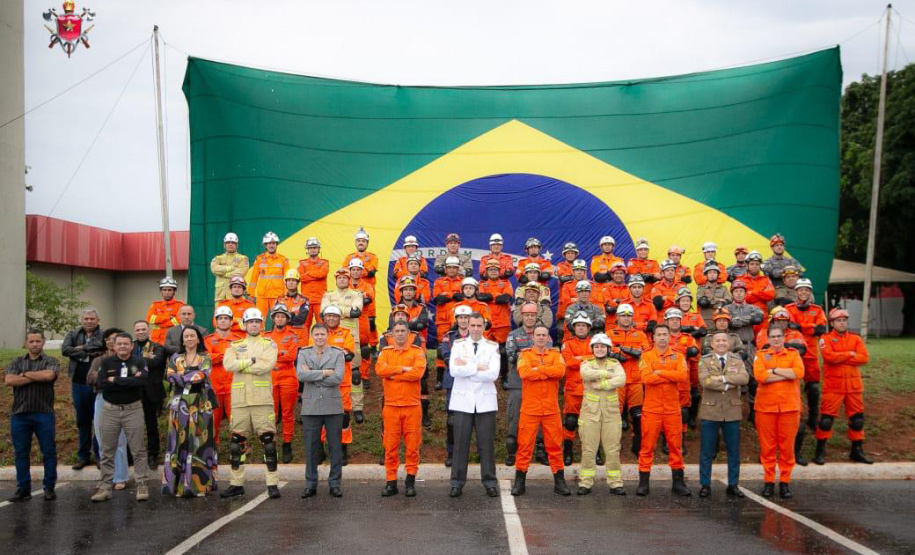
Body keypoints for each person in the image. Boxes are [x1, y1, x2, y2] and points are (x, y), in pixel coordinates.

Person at [220, 308, 281, 499]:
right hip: (240, 402)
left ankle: (272, 483)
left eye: (257, 322)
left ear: (261, 324)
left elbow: (267, 365)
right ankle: (236, 483)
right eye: (250, 322)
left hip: (262, 400)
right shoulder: (234, 344)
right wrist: (252, 361)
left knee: (268, 443)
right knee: (236, 444)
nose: (254, 324)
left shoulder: (269, 344)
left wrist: (243, 363)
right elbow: (228, 365)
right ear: (244, 324)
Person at [511, 325, 570, 496]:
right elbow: (525, 373)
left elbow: (560, 371)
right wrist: (547, 372)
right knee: (524, 446)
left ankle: (560, 482)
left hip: (551, 409)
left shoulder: (556, 354)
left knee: (555, 446)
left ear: (548, 338)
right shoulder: (525, 354)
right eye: (538, 335)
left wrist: (539, 369)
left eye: (544, 335)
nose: (541, 338)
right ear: (533, 337)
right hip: (530, 409)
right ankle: (519, 483)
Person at [91, 333, 151, 503]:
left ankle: (142, 484)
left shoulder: (139, 362)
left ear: (131, 346)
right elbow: (101, 383)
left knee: (138, 449)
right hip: (110, 410)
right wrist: (129, 380)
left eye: (126, 344)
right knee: (107, 450)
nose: (123, 347)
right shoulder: (106, 362)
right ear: (114, 346)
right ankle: (105, 487)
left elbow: (142, 381)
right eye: (120, 344)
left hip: (133, 409)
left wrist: (115, 380)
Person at [447, 313, 501, 498]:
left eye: (479, 325)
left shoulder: (493, 347)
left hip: (485, 402)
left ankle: (490, 482)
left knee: (486, 445)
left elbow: (493, 374)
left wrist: (468, 367)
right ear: (467, 326)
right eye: (473, 325)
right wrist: (479, 366)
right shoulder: (458, 345)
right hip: (463, 402)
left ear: (484, 327)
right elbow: (454, 370)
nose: (476, 328)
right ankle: (456, 483)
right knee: (460, 444)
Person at [5, 329, 61, 502]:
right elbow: (9, 380)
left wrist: (24, 374)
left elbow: (49, 375)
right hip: (20, 414)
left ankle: (49, 487)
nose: (35, 344)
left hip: (43, 413)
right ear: (26, 343)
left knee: (48, 452)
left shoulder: (51, 360)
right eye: (32, 341)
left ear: (43, 342)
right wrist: (36, 376)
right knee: (21, 453)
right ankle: (23, 488)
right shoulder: (16, 361)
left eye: (38, 341)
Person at [814, 308, 873, 465]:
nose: (842, 323)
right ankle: (820, 451)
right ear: (832, 323)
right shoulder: (825, 339)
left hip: (854, 387)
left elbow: (864, 358)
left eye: (844, 320)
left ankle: (857, 450)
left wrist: (842, 355)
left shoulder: (856, 338)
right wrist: (850, 354)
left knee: (857, 420)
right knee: (826, 421)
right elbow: (829, 357)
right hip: (834, 386)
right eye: (839, 320)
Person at [636, 325, 690, 497]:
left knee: (675, 446)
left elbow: (682, 376)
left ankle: (678, 483)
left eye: (665, 334)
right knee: (647, 446)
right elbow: (646, 378)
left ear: (669, 337)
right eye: (658, 335)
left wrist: (659, 372)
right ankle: (643, 483)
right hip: (652, 409)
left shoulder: (679, 355)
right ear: (653, 338)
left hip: (672, 409)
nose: (662, 338)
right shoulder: (646, 355)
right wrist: (669, 374)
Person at [163, 326, 216, 497]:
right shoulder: (175, 358)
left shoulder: (205, 357)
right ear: (182, 340)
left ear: (199, 339)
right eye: (186, 336)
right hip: (179, 404)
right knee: (178, 442)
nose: (190, 338)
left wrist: (182, 377)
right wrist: (189, 377)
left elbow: (203, 375)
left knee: (199, 442)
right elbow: (169, 376)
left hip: (200, 404)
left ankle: (197, 485)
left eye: (193, 335)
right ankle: (176, 485)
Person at [376, 321, 427, 497]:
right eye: (396, 331)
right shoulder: (386, 352)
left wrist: (393, 374)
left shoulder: (417, 351)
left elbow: (417, 373)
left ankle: (410, 481)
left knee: (412, 447)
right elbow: (379, 370)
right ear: (391, 333)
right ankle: (391, 482)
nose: (399, 334)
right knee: (390, 447)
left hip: (412, 407)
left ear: (408, 333)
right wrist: (402, 369)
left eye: (402, 331)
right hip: (391, 407)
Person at [753, 325, 805, 499]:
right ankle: (768, 482)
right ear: (768, 338)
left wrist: (773, 371)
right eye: (773, 336)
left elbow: (798, 372)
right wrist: (786, 374)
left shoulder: (793, 354)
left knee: (787, 448)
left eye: (779, 336)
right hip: (765, 408)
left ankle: (784, 482)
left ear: (784, 338)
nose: (776, 339)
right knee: (767, 448)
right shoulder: (760, 355)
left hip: (789, 408)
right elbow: (760, 376)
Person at [697, 331, 750, 498]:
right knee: (706, 451)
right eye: (717, 340)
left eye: (724, 340)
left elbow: (744, 378)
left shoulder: (737, 359)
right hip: (710, 410)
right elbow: (705, 381)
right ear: (712, 344)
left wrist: (721, 379)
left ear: (729, 343)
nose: (721, 343)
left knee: (733, 451)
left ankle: (733, 485)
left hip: (731, 411)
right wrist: (728, 382)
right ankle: (705, 485)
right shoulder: (705, 360)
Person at [296, 323, 345, 498]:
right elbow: (301, 376)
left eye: (322, 334)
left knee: (335, 447)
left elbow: (338, 378)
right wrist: (325, 372)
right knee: (311, 447)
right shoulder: (303, 353)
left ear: (327, 335)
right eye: (316, 334)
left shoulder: (338, 353)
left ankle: (335, 484)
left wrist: (313, 375)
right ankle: (310, 484)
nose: (319, 337)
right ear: (312, 335)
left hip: (333, 406)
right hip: (310, 407)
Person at [577, 333, 626, 496]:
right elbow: (586, 374)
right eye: (596, 346)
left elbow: (621, 379)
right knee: (588, 449)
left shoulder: (616, 363)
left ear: (608, 348)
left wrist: (603, 384)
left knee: (612, 450)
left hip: (611, 414)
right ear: (592, 349)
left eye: (602, 346)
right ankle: (585, 482)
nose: (599, 349)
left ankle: (615, 483)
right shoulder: (587, 363)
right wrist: (606, 374)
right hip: (590, 413)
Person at [504, 303, 553, 466]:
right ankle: (512, 452)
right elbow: (511, 356)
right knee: (515, 417)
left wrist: (525, 357)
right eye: (527, 315)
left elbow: (548, 356)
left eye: (532, 315)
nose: (530, 318)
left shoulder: (544, 334)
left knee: (540, 417)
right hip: (517, 383)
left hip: (538, 383)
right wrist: (533, 358)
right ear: (522, 317)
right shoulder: (513, 335)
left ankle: (540, 450)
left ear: (536, 316)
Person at [784, 279, 827, 457]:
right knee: (792, 386)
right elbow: (789, 326)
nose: (803, 293)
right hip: (793, 355)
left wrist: (802, 327)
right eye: (800, 290)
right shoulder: (789, 309)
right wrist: (810, 327)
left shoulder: (817, 310)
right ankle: (794, 415)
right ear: (796, 292)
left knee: (814, 388)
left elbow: (821, 328)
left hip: (810, 356)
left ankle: (813, 416)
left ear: (810, 292)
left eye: (806, 290)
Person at [61, 308, 105, 469]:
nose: (89, 321)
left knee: (98, 421)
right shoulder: (73, 334)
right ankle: (83, 456)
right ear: (81, 320)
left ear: (97, 320)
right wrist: (86, 351)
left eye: (92, 319)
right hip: (78, 383)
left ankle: (99, 455)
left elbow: (100, 345)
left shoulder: (103, 334)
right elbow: (65, 350)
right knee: (82, 420)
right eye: (86, 318)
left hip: (97, 385)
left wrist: (80, 349)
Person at [87, 328, 129, 491]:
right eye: (109, 340)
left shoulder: (128, 360)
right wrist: (110, 378)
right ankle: (106, 478)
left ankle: (120, 477)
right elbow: (90, 378)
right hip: (102, 398)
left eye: (116, 339)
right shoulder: (99, 360)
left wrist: (107, 378)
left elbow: (131, 379)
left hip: (122, 399)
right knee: (103, 439)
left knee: (119, 440)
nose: (113, 343)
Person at [608, 304, 651, 455]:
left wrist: (623, 349)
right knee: (614, 414)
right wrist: (629, 352)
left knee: (637, 413)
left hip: (636, 379)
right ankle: (613, 445)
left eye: (628, 316)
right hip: (616, 379)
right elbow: (606, 349)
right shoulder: (610, 333)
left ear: (632, 318)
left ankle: (637, 442)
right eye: (623, 315)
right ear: (617, 317)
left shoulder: (640, 334)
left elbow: (645, 352)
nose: (626, 318)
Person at [265, 304, 302, 463]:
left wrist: (275, 353)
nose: (279, 318)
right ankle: (270, 446)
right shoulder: (266, 336)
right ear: (273, 318)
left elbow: (291, 356)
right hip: (270, 376)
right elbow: (264, 356)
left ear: (287, 318)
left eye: (283, 316)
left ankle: (287, 444)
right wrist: (281, 352)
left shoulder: (293, 335)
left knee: (287, 413)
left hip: (288, 376)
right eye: (277, 316)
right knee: (270, 413)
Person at [320, 306, 357, 462]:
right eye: (328, 315)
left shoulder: (346, 333)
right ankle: (320, 449)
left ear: (339, 318)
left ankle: (342, 449)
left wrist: (326, 353)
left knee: (343, 417)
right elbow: (312, 355)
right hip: (322, 383)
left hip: (342, 382)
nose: (331, 318)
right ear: (324, 317)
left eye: (334, 316)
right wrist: (337, 353)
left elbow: (348, 355)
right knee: (321, 416)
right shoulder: (318, 333)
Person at [439, 306, 474, 464]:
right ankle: (451, 453)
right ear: (456, 319)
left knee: (472, 419)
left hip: (473, 382)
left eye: (466, 317)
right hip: (453, 382)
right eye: (460, 317)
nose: (463, 320)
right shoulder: (448, 336)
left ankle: (468, 453)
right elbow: (447, 357)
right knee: (452, 420)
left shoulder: (477, 336)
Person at [133, 320, 167, 469]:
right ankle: (133, 455)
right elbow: (124, 363)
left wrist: (134, 362)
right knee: (133, 427)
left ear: (149, 330)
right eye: (138, 329)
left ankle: (153, 455)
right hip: (132, 392)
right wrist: (147, 359)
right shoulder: (130, 346)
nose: (141, 332)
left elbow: (157, 362)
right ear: (134, 331)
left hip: (151, 393)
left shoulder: (157, 347)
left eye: (143, 329)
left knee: (151, 425)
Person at [560, 312, 593, 465]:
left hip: (591, 388)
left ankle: (595, 453)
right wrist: (587, 358)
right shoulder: (567, 343)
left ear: (588, 328)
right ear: (574, 328)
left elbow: (598, 361)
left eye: (583, 325)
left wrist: (579, 358)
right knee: (571, 422)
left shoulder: (595, 343)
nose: (581, 328)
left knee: (592, 422)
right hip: (572, 389)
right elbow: (568, 362)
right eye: (578, 325)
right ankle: (568, 452)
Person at [205, 306, 240, 444]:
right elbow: (207, 358)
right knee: (213, 421)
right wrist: (227, 355)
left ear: (231, 321)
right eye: (220, 318)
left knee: (236, 420)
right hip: (214, 387)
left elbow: (240, 360)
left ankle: (237, 448)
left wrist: (218, 356)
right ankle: (212, 448)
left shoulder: (238, 340)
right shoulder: (208, 340)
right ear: (216, 321)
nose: (223, 321)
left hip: (234, 387)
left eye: (226, 318)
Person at [665, 308, 700, 445]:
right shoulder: (662, 336)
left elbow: (695, 355)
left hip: (684, 380)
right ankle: (666, 441)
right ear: (666, 321)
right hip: (666, 379)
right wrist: (683, 352)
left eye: (677, 319)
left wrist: (694, 382)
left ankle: (681, 439)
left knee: (684, 411)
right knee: (667, 411)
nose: (674, 322)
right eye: (672, 319)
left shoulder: (688, 337)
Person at [248, 231, 290, 319]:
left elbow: (288, 278)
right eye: (269, 243)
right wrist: (251, 294)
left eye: (273, 243)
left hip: (278, 296)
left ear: (276, 244)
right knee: (260, 319)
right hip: (262, 295)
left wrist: (287, 294)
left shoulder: (283, 260)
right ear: (265, 245)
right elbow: (253, 278)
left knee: (278, 319)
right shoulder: (259, 259)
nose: (271, 245)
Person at [478, 259, 514, 347]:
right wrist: (497, 295)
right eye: (490, 269)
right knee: (485, 349)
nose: (493, 271)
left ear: (499, 271)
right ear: (486, 272)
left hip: (503, 323)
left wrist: (490, 297)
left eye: (495, 269)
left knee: (503, 350)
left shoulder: (506, 283)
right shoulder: (481, 284)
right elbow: (481, 298)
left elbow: (505, 299)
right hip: (487, 322)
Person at [297, 236, 330, 330]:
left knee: (323, 325)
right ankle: (304, 345)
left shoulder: (324, 262)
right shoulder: (302, 263)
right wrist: (314, 276)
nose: (312, 250)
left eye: (315, 247)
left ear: (319, 249)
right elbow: (300, 277)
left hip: (320, 300)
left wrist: (308, 274)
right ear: (307, 250)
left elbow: (322, 274)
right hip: (306, 301)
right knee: (304, 326)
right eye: (310, 248)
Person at [210, 232, 249, 302]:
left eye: (233, 243)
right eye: (228, 242)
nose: (230, 244)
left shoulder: (243, 258)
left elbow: (241, 272)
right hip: (220, 296)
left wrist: (223, 273)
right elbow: (214, 269)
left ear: (237, 245)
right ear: (224, 245)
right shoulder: (218, 258)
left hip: (235, 296)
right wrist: (231, 268)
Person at [274, 269, 310, 343]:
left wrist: (284, 317)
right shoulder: (279, 299)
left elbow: (300, 320)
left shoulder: (303, 300)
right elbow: (275, 319)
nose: (291, 282)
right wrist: (292, 316)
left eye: (293, 280)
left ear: (297, 283)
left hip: (299, 339)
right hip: (282, 338)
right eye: (289, 280)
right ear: (285, 283)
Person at [146, 276, 183, 345]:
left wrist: (160, 322)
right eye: (164, 290)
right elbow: (150, 319)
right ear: (161, 291)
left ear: (174, 291)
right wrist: (169, 318)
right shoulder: (155, 305)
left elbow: (178, 321)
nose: (167, 292)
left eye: (169, 290)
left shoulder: (180, 305)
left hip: (173, 340)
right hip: (156, 340)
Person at [742, 251, 776, 317]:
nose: (754, 266)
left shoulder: (766, 280)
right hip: (746, 316)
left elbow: (770, 295)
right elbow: (742, 298)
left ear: (760, 266)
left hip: (763, 317)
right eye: (752, 264)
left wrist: (752, 292)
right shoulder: (740, 280)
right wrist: (761, 293)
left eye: (757, 264)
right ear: (747, 266)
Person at [600, 262, 631, 331]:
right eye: (616, 273)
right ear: (612, 275)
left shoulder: (629, 288)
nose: (618, 275)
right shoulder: (606, 288)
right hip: (611, 324)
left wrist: (616, 301)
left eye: (621, 273)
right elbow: (609, 306)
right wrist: (623, 301)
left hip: (627, 323)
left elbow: (630, 303)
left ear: (624, 275)